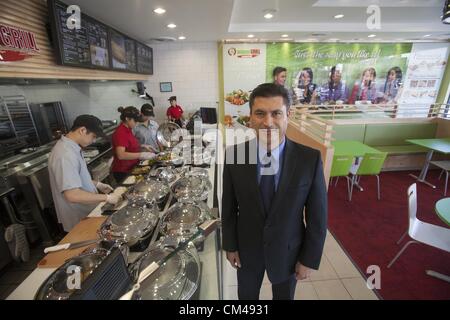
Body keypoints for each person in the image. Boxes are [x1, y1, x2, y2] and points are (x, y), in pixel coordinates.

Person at [222, 83, 328, 300]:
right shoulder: (234, 156)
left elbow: (318, 217)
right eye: (260, 113)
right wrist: (230, 245)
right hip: (247, 248)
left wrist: (309, 258)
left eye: (276, 113)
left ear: (288, 115)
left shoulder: (309, 159)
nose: (267, 122)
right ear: (250, 117)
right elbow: (229, 208)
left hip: (288, 250)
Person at [48, 115, 121, 232]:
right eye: (93, 136)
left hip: (87, 211)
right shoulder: (65, 155)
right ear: (82, 130)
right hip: (78, 218)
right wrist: (106, 198)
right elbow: (72, 195)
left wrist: (96, 184)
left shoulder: (73, 147)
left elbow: (74, 179)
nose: (94, 140)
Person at [111, 106, 156, 183]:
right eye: (135, 121)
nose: (136, 123)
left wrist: (142, 146)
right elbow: (121, 155)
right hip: (123, 171)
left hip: (132, 166)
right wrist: (141, 155)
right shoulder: (121, 132)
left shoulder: (128, 129)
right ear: (127, 119)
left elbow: (129, 145)